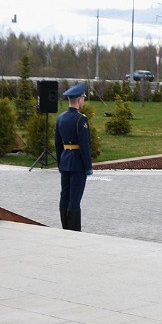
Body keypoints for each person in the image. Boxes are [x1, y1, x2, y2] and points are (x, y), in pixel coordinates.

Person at [54, 83, 93, 230]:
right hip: (77, 164)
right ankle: (74, 230)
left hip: (65, 161)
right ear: (79, 99)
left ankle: (65, 226)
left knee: (65, 195)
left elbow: (57, 144)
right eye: (83, 98)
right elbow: (84, 146)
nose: (83, 100)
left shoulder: (61, 118)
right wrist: (88, 166)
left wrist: (60, 163)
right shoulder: (81, 119)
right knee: (75, 198)